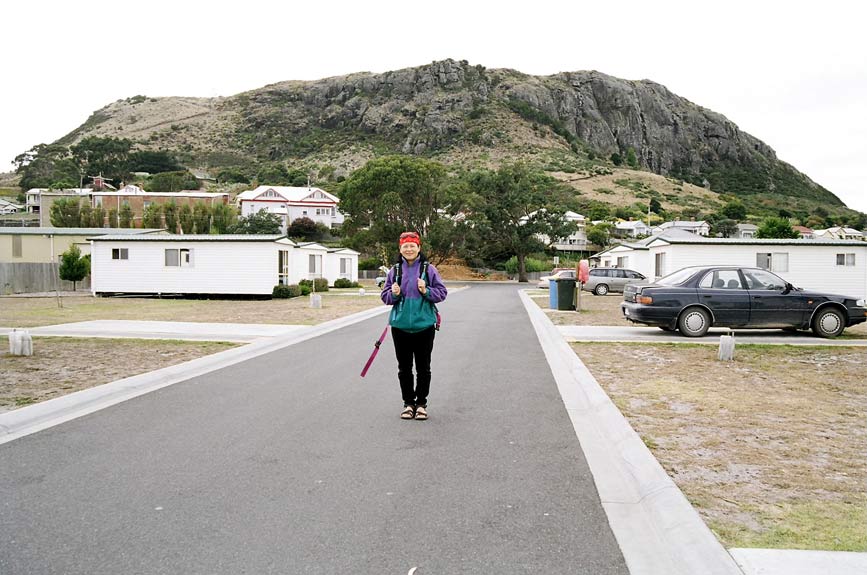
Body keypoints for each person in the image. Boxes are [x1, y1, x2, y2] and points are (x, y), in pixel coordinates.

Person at [380, 231, 448, 420]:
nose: (409, 249)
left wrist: (426, 290)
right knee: (404, 368)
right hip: (400, 327)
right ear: (400, 248)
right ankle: (408, 403)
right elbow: (385, 297)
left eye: (412, 246)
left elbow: (442, 293)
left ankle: (421, 404)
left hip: (424, 326)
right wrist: (394, 294)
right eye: (405, 246)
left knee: (423, 368)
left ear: (419, 248)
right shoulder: (394, 271)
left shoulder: (429, 269)